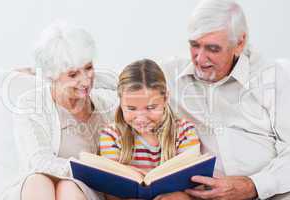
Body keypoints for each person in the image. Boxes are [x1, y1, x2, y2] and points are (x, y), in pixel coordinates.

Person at [157, 0, 290, 199]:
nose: (200, 59)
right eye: (194, 45)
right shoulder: (170, 74)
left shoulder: (274, 78)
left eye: (213, 49)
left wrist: (252, 185)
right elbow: (121, 81)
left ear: (240, 43)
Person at [5, 23, 117, 200]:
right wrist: (90, 168)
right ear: (52, 76)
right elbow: (38, 162)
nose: (86, 81)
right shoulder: (31, 105)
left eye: (89, 68)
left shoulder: (106, 108)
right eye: (73, 75)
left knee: (68, 188)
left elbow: (123, 82)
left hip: (81, 191)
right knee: (38, 180)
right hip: (38, 188)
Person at [98, 59, 201, 199]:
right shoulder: (111, 135)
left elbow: (193, 183)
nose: (141, 118)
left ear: (165, 99)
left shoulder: (184, 131)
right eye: (131, 109)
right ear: (120, 102)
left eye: (151, 108)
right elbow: (111, 191)